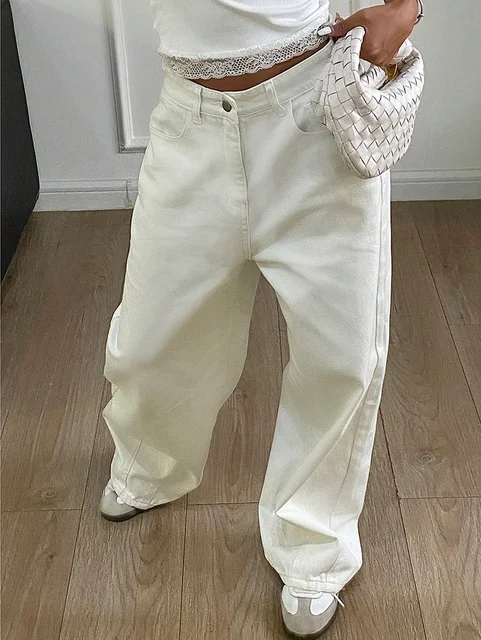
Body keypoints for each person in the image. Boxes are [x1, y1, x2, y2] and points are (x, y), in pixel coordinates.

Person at [99, 1, 422, 637]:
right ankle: (151, 463)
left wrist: (406, 7)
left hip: (315, 114)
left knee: (339, 353)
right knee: (148, 338)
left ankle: (313, 543)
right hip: (190, 117)